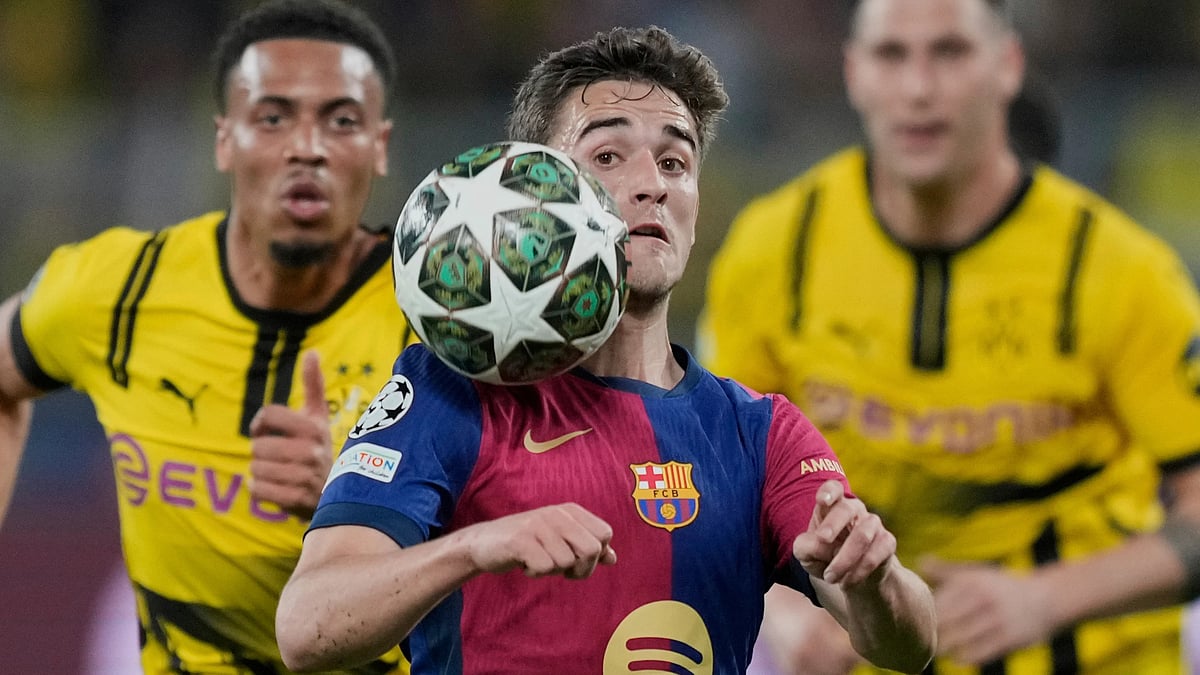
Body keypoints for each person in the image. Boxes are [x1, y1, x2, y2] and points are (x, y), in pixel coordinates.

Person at [274, 25, 937, 675]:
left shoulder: (761, 433)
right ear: (536, 188)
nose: (652, 184)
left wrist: (873, 575)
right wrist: (472, 547)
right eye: (609, 157)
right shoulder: (453, 390)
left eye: (675, 161)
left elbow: (909, 643)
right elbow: (308, 626)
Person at [699, 0, 1200, 673]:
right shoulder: (773, 252)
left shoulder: (1118, 271)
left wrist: (1047, 598)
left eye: (951, 52)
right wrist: (787, 615)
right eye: (892, 55)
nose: (919, 88)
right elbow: (722, 483)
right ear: (854, 72)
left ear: (1008, 65)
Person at [0, 0, 413, 672]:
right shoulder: (120, 288)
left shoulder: (439, 317)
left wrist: (353, 500)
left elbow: (529, 529)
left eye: (340, 120)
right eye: (273, 116)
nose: (306, 146)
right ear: (225, 138)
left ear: (381, 145)